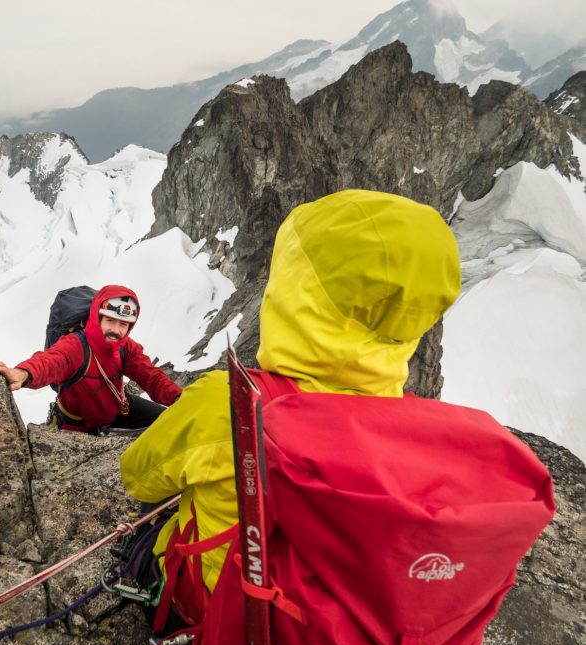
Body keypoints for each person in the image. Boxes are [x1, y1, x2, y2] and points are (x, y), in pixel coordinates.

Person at [119, 190, 461, 619]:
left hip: (223, 612)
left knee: (149, 534)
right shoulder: (415, 434)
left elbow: (138, 478)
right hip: (335, 626)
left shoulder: (226, 406)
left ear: (295, 293)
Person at [0, 284, 182, 432]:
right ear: (96, 317)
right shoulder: (76, 345)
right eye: (110, 320)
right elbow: (51, 361)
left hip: (117, 407)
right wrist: (23, 373)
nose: (116, 330)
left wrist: (182, 398)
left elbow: (151, 376)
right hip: (78, 425)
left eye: (123, 324)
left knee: (174, 423)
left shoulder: (126, 347)